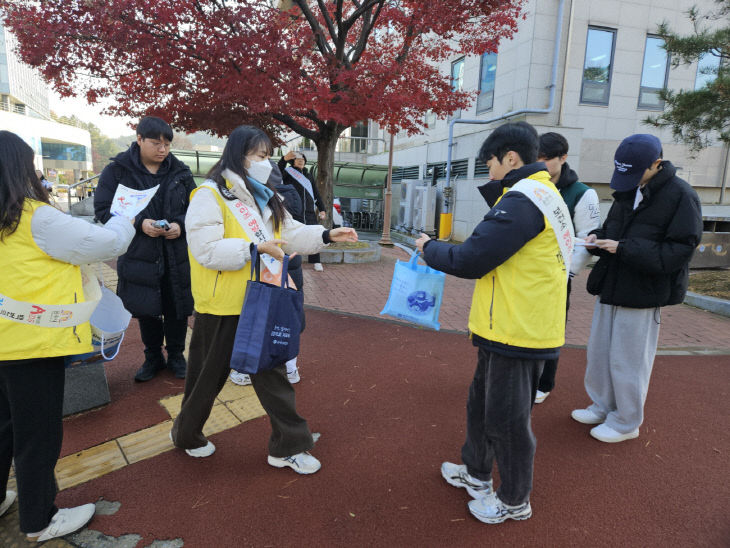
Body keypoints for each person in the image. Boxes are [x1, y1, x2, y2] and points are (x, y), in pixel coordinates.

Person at [171, 125, 357, 474]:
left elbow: (291, 234)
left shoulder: (264, 196)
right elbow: (205, 251)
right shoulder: (210, 196)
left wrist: (328, 235)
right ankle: (186, 433)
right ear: (238, 155)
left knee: (272, 375)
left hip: (261, 300)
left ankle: (289, 444)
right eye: (259, 156)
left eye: (267, 156)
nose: (265, 162)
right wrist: (252, 247)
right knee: (205, 379)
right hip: (223, 304)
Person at [415, 121, 570, 524]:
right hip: (507, 324)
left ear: (511, 158)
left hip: (518, 330)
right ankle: (477, 472)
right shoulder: (541, 194)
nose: (489, 174)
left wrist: (429, 248)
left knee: (507, 422)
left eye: (491, 165)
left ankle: (515, 500)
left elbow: (471, 258)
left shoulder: (525, 199)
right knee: (481, 406)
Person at [0, 131, 135, 542]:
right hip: (33, 341)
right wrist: (125, 218)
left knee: (4, 425)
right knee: (38, 433)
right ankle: (40, 519)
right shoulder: (31, 215)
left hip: (5, 338)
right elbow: (103, 243)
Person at [571, 134, 702, 443]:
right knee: (600, 353)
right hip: (612, 285)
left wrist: (622, 248)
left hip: (644, 293)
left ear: (657, 163)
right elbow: (613, 231)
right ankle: (602, 406)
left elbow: (681, 250)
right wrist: (597, 239)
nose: (626, 180)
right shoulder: (630, 189)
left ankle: (627, 421)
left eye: (634, 172)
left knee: (628, 360)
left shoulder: (682, 195)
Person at [94, 116, 197, 382]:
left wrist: (180, 225)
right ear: (139, 139)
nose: (162, 149)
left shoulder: (181, 172)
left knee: (177, 305)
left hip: (175, 253)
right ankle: (153, 356)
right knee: (147, 307)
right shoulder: (118, 171)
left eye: (167, 144)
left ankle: (176, 355)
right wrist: (141, 224)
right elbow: (103, 210)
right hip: (139, 251)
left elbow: (197, 210)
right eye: (155, 143)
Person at [533, 132, 601, 404]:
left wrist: (567, 273)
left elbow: (587, 239)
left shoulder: (582, 194)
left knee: (551, 328)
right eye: (537, 158)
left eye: (547, 159)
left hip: (559, 275)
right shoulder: (532, 185)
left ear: (563, 158)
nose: (542, 164)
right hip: (529, 272)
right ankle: (525, 375)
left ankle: (544, 383)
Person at [229, 162, 305, 386]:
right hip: (291, 265)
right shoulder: (294, 195)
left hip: (271, 264)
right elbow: (300, 227)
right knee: (287, 319)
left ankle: (245, 370)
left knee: (260, 316)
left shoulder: (259, 200)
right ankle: (290, 368)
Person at [278, 151, 327, 271]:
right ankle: (290, 260)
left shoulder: (308, 175)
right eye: (297, 159)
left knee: (314, 235)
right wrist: (283, 160)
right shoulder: (287, 172)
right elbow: (277, 172)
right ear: (292, 161)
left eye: (302, 159)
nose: (300, 160)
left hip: (309, 211)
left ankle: (316, 261)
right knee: (293, 236)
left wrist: (322, 209)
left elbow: (316, 193)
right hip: (294, 210)